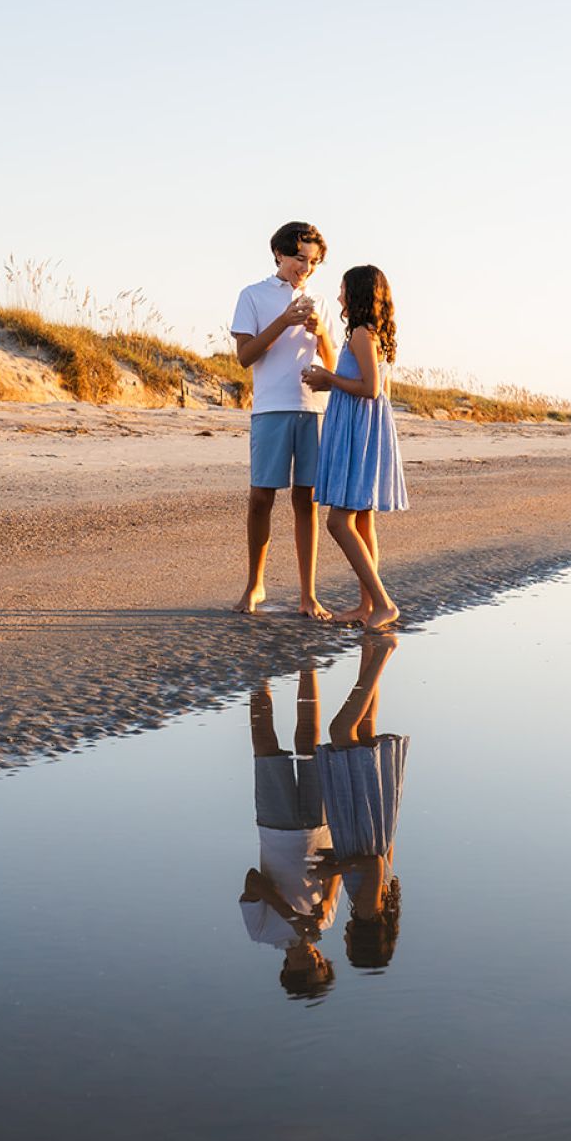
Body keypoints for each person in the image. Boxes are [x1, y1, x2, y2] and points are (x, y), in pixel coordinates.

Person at [230, 222, 336, 619]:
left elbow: (332, 360)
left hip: (312, 409)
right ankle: (255, 584)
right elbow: (246, 357)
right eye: (298, 259)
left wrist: (321, 331)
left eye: (312, 262)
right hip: (271, 408)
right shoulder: (253, 295)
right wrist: (285, 321)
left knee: (306, 501)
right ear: (278, 253)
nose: (304, 269)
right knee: (261, 497)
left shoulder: (319, 302)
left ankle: (308, 594)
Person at [304, 265, 406, 630]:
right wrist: (328, 380)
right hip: (363, 428)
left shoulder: (362, 335)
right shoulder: (370, 334)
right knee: (363, 520)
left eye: (343, 289)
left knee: (338, 521)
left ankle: (382, 603)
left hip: (357, 432)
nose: (338, 296)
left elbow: (371, 389)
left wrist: (327, 377)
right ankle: (367, 606)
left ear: (359, 294)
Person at [238, 668, 340, 1000]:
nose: (314, 960)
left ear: (287, 969)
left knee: (265, 743)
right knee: (308, 738)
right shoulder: (326, 923)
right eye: (321, 966)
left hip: (275, 828)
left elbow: (252, 881)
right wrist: (326, 900)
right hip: (319, 827)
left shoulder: (263, 933)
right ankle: (307, 662)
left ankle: (258, 673)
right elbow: (335, 874)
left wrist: (291, 915)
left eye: (307, 968)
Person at [313, 633, 406, 970]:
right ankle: (383, 652)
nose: (344, 940)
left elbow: (382, 857)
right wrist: (334, 867)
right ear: (362, 941)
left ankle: (370, 648)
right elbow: (374, 865)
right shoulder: (368, 910)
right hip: (361, 818)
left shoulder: (386, 905)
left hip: (375, 820)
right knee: (341, 731)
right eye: (350, 946)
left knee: (365, 728)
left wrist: (336, 857)